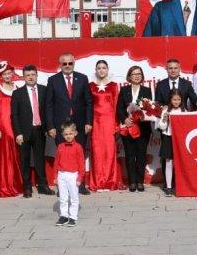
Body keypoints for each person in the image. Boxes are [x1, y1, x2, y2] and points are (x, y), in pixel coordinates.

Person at [44, 53, 93, 195]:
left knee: (80, 154)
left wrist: (89, 122)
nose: (67, 66)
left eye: (70, 63)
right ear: (60, 65)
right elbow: (49, 105)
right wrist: (50, 126)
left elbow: (89, 102)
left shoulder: (82, 78)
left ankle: (81, 184)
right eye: (64, 63)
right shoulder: (53, 80)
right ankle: (62, 187)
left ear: (74, 63)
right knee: (62, 156)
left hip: (80, 124)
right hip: (60, 125)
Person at [11, 65, 50, 197]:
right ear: (23, 77)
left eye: (33, 74)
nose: (31, 77)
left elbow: (48, 110)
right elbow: (14, 115)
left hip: (40, 130)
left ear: (37, 75)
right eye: (28, 75)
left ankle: (43, 186)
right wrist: (18, 133)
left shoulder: (44, 90)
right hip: (24, 132)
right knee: (25, 160)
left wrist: (48, 127)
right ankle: (27, 187)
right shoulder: (17, 93)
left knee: (40, 159)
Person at [87, 60, 123, 191]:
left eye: (103, 68)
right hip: (96, 123)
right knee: (96, 152)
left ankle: (109, 181)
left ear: (107, 69)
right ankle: (97, 182)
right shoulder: (90, 86)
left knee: (109, 152)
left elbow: (116, 105)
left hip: (109, 123)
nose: (101, 70)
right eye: (99, 68)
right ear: (95, 70)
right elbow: (88, 106)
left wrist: (117, 124)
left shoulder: (113, 86)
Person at [117, 65, 152, 193]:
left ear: (142, 76)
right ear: (129, 76)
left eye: (139, 74)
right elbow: (119, 108)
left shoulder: (147, 90)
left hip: (142, 128)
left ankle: (140, 182)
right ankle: (132, 182)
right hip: (127, 128)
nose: (137, 76)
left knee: (141, 156)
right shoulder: (124, 90)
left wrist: (143, 116)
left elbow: (150, 108)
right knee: (130, 155)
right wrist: (124, 119)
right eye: (134, 74)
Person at [0, 64, 23, 198]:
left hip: (15, 124)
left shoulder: (17, 88)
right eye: (5, 74)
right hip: (3, 125)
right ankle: (4, 185)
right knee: (5, 155)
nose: (8, 76)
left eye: (9, 73)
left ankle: (14, 184)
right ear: (1, 76)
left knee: (15, 153)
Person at [54, 122, 85, 227]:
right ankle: (63, 215)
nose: (68, 136)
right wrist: (56, 176)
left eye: (70, 134)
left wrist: (80, 177)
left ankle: (73, 217)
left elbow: (81, 164)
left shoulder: (78, 147)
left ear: (75, 133)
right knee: (63, 197)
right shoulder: (60, 146)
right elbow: (56, 162)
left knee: (74, 197)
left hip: (73, 175)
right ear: (63, 135)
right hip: (61, 175)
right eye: (66, 134)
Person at [156, 91, 186, 196]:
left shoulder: (184, 111)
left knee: (180, 163)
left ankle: (180, 185)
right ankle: (168, 186)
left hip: (180, 139)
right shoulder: (166, 110)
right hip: (168, 138)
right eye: (174, 100)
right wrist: (164, 119)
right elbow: (161, 127)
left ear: (181, 100)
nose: (176, 102)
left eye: (178, 99)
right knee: (168, 162)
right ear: (170, 100)